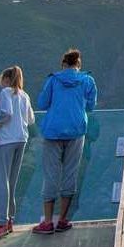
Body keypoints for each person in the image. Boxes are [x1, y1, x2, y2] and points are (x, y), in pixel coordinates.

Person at [33, 48, 97, 234]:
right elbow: (91, 105)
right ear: (79, 64)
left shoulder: (53, 80)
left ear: (63, 64)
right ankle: (63, 219)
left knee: (50, 174)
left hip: (53, 130)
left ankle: (47, 222)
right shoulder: (87, 81)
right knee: (71, 172)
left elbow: (42, 103)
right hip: (76, 130)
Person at [0, 65, 34, 240]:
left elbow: (6, 113)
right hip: (22, 138)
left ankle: (0, 223)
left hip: (6, 140)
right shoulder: (25, 95)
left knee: (1, 181)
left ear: (6, 79)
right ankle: (10, 219)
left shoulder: (6, 92)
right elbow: (31, 119)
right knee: (12, 181)